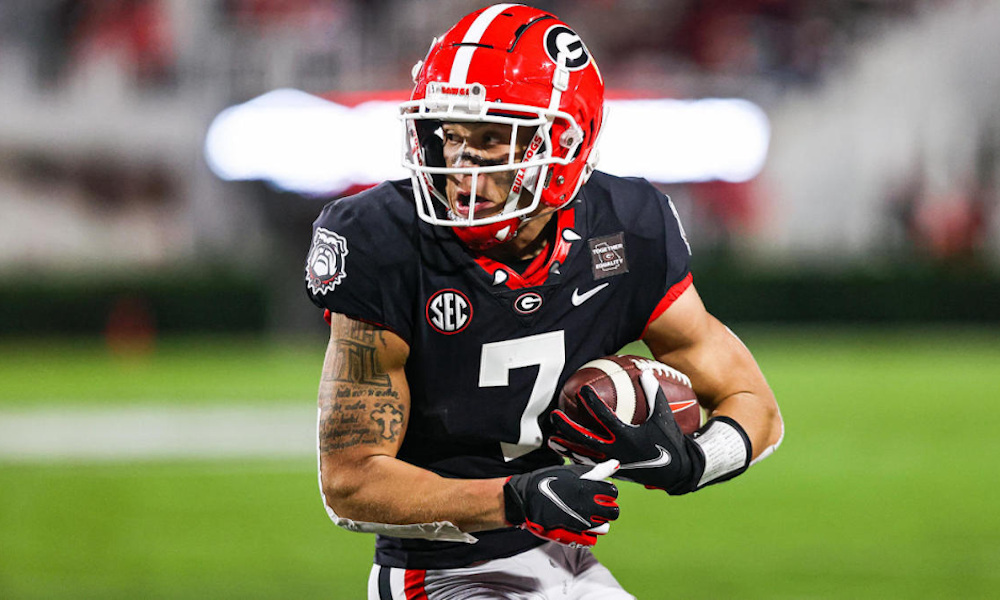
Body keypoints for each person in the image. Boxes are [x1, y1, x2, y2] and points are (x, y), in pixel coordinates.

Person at [303, 4, 784, 599]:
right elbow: (349, 482)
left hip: (569, 560)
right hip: (443, 573)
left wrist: (696, 461)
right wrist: (513, 499)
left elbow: (753, 401)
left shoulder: (626, 226)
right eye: (450, 135)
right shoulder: (384, 241)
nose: (461, 165)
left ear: (565, 140)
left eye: (492, 137)